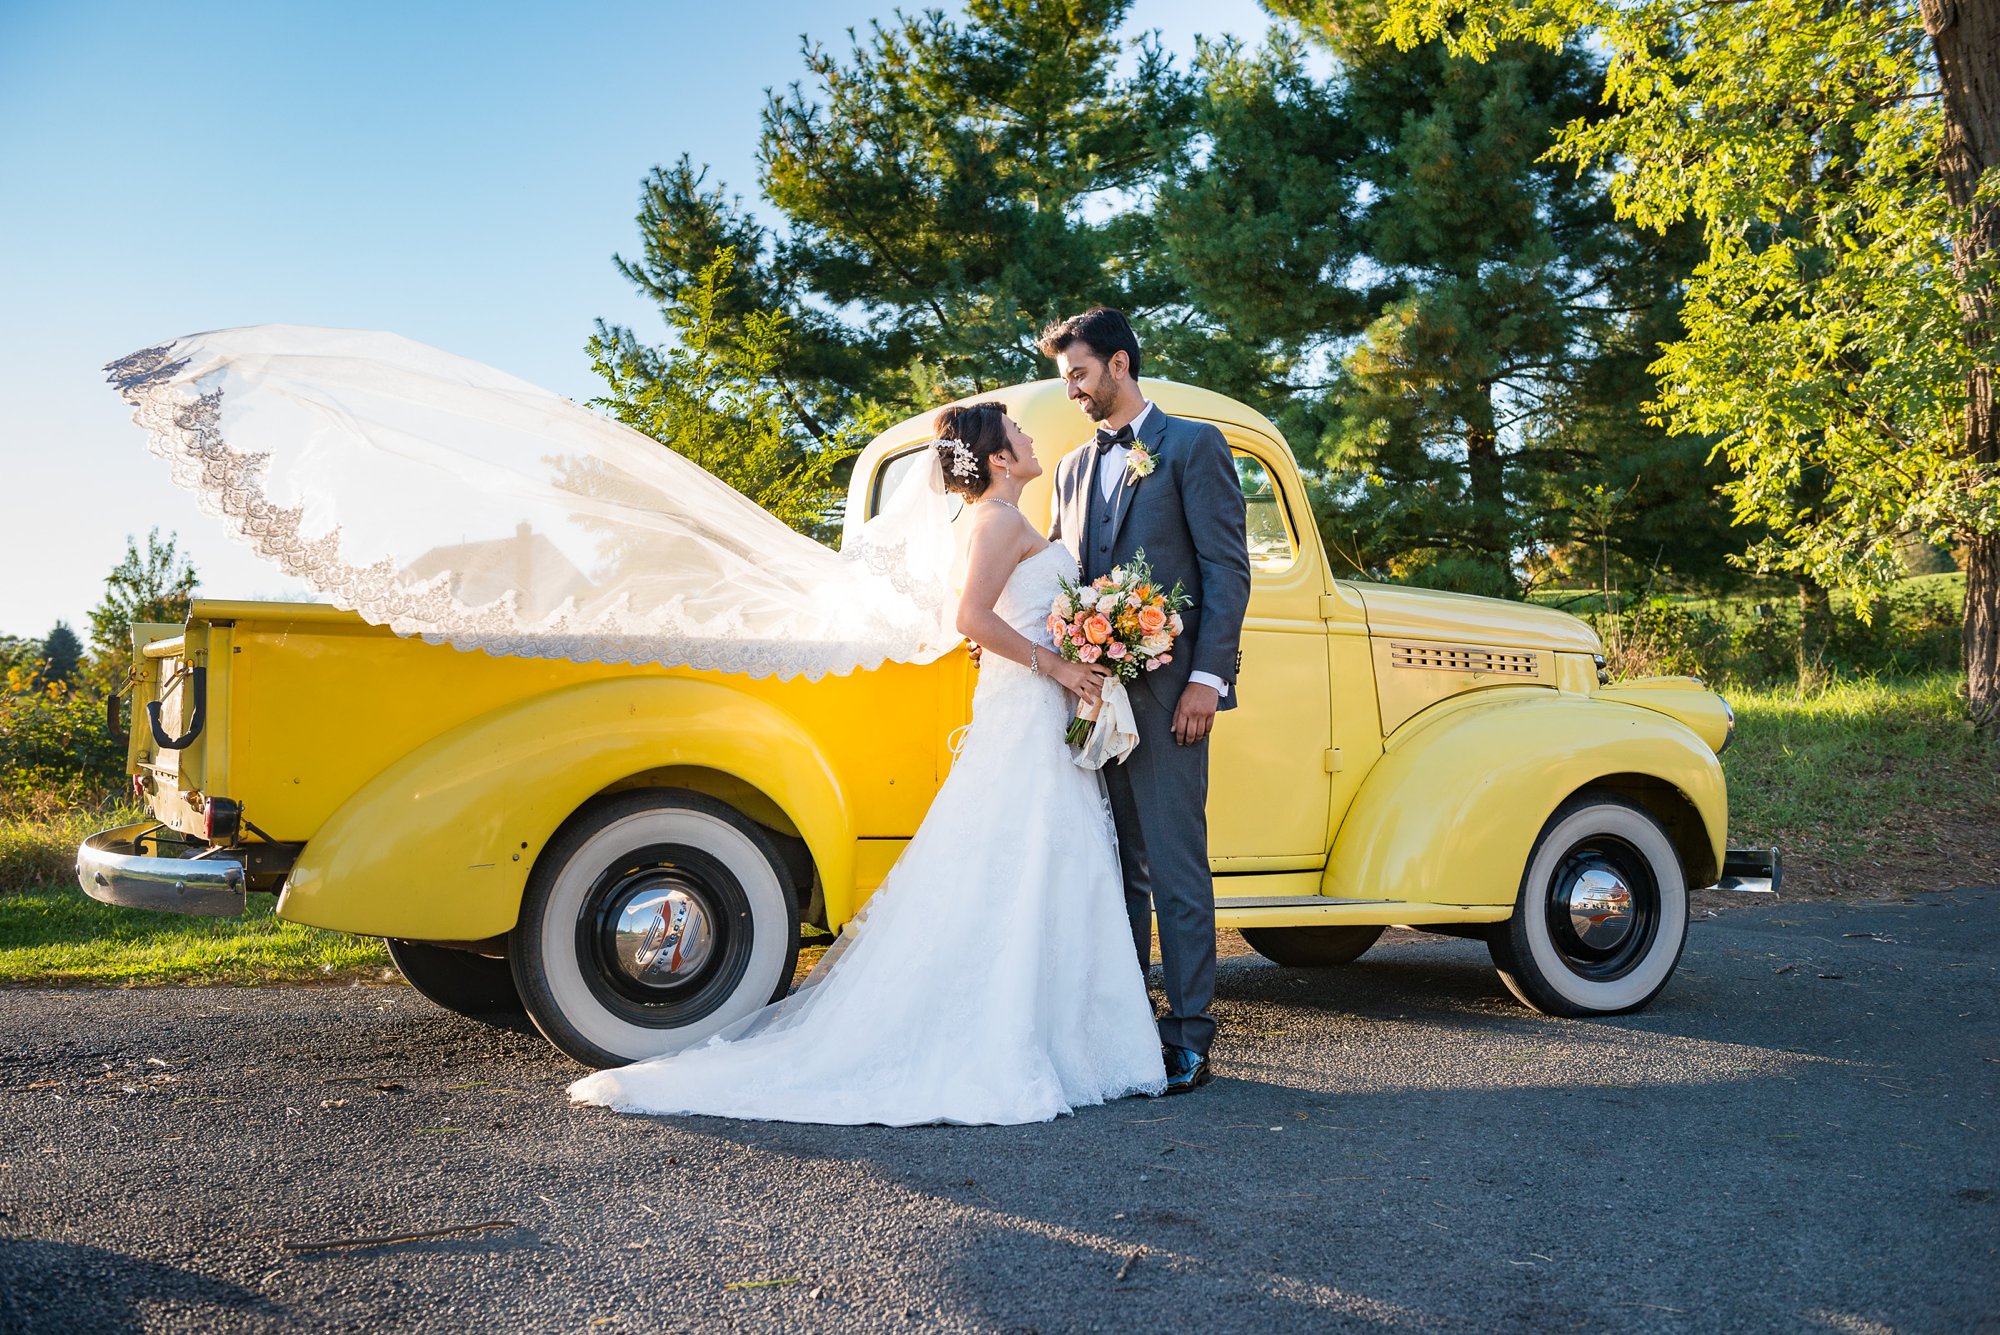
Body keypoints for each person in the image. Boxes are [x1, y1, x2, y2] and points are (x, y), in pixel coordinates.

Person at [568, 402, 1167, 1124]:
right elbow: (971, 619)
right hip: (1028, 704)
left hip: (1032, 708)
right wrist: (1061, 667)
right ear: (1001, 458)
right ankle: (1014, 1035)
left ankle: (1054, 1033)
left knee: (1038, 861)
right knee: (1023, 856)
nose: (1033, 438)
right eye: (1019, 433)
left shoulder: (1002, 519)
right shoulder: (1000, 522)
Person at [1040, 308, 1251, 1096]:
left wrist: (1207, 679)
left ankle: (1191, 1032)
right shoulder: (1066, 469)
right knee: (1109, 866)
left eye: (1081, 374)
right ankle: (1126, 1028)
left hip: (1171, 697)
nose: (1074, 391)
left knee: (1172, 866)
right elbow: (1063, 577)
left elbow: (1228, 573)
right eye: (1068, 378)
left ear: (1120, 364)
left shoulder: (1192, 446)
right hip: (1093, 700)